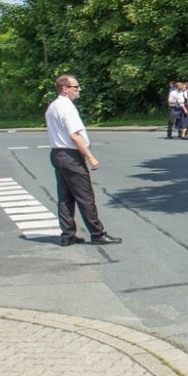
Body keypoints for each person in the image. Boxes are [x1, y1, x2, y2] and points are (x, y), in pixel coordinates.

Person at [45, 75, 121, 247]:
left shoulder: (52, 106)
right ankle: (97, 233)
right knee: (85, 196)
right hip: (71, 156)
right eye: (76, 87)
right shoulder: (67, 107)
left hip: (57, 154)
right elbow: (74, 135)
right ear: (65, 88)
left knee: (65, 197)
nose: (79, 90)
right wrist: (90, 156)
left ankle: (67, 234)